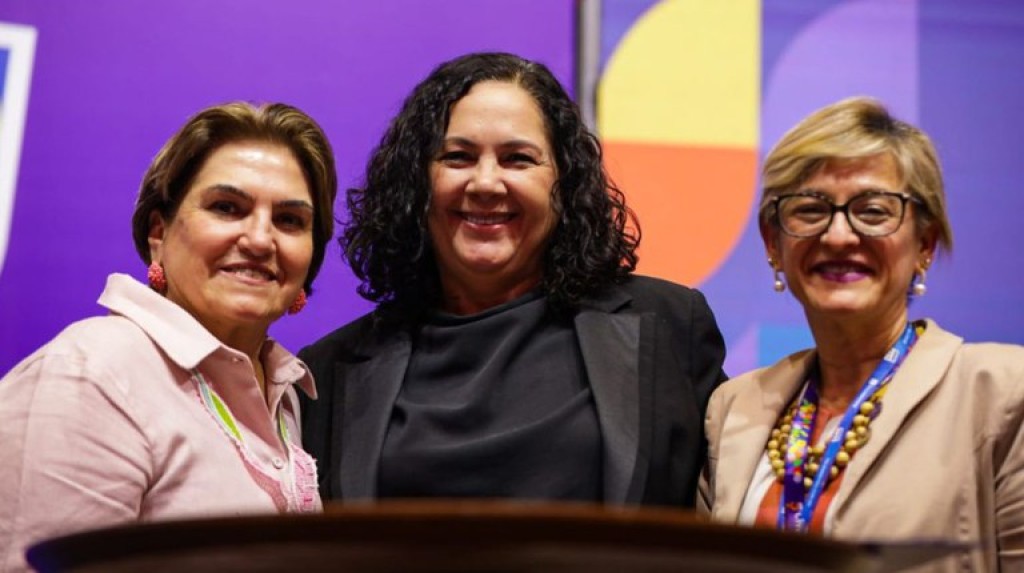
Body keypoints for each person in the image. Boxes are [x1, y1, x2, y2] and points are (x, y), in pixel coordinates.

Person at [299, 52, 727, 508]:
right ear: (416, 182)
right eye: (458, 157)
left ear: (564, 182)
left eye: (517, 159)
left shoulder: (671, 328)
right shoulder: (323, 374)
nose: (485, 183)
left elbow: (741, 499)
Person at [0, 102, 337, 571]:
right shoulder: (88, 376)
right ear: (158, 233)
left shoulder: (287, 396)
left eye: (290, 220)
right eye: (227, 208)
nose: (261, 240)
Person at [699, 97, 1024, 570]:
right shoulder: (733, 409)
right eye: (810, 210)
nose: (838, 236)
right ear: (774, 244)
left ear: (925, 244)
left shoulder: (1002, 392)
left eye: (872, 211)